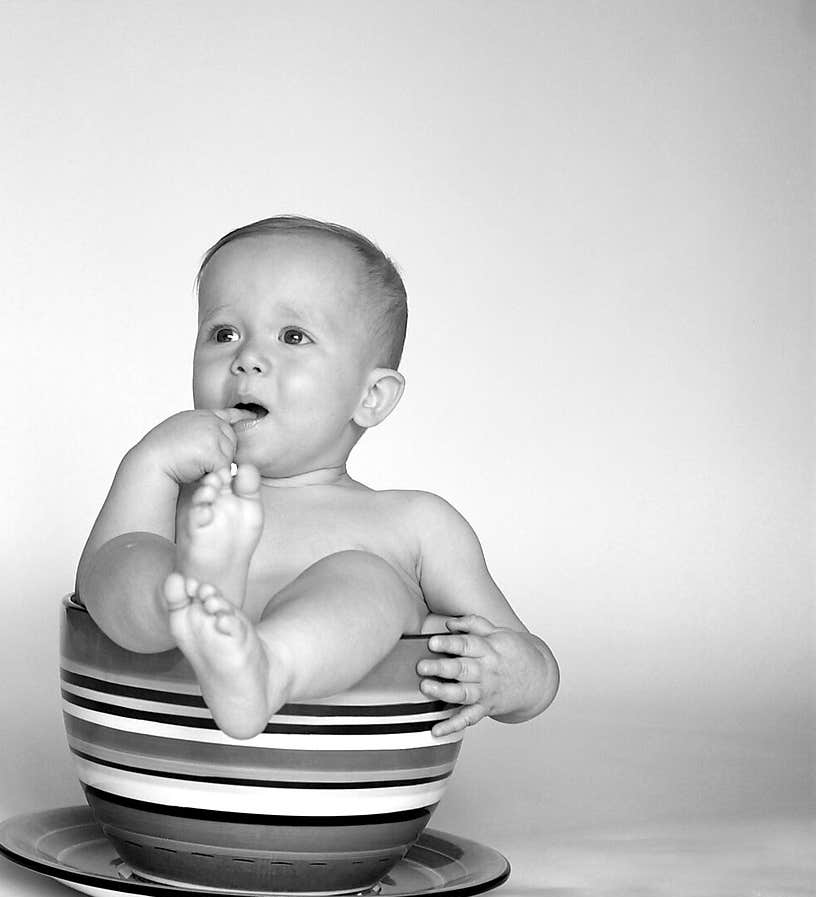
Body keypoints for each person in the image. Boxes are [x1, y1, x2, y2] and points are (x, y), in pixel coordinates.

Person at [75, 215, 559, 742]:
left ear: (370, 397)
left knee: (366, 577)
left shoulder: (414, 524)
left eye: (292, 336)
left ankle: (268, 669)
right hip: (161, 759)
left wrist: (510, 676)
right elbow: (93, 586)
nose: (247, 359)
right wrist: (148, 462)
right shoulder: (182, 500)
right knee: (132, 557)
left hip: (335, 796)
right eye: (224, 333)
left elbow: (528, 657)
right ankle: (189, 593)